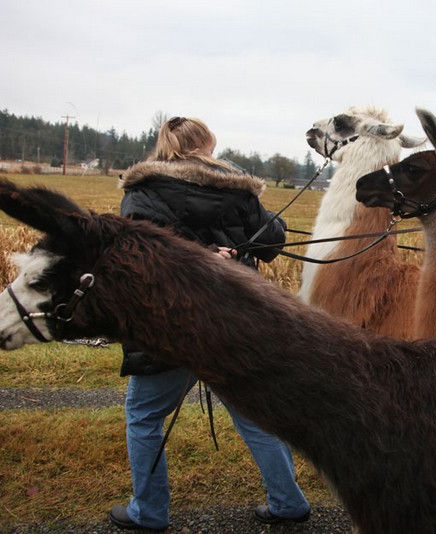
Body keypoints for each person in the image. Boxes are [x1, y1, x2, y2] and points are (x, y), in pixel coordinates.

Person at [108, 116, 310, 531]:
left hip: (169, 326)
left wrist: (202, 252)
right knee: (255, 414)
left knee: (144, 416)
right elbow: (273, 241)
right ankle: (288, 502)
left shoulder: (141, 193)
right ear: (206, 144)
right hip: (233, 321)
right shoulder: (236, 188)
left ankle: (149, 512)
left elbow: (143, 258)